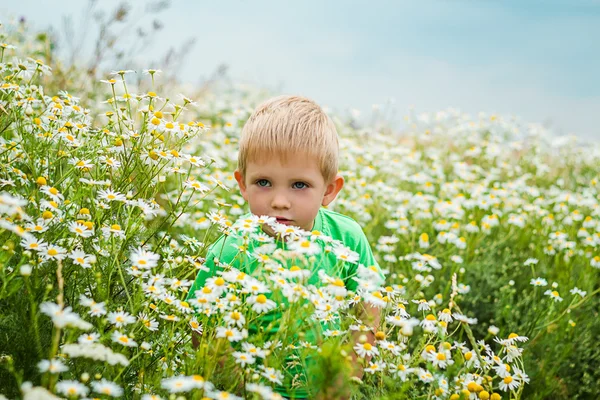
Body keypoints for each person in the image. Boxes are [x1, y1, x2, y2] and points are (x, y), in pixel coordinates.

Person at [187, 95, 384, 399]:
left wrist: (346, 376)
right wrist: (239, 386)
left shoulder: (347, 238)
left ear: (328, 190)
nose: (279, 200)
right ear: (242, 184)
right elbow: (202, 325)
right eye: (263, 182)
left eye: (299, 185)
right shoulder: (231, 248)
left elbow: (370, 305)